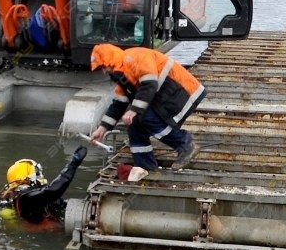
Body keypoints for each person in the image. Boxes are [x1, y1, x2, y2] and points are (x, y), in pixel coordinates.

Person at [88, 43, 205, 173]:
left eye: (103, 67)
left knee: (145, 117)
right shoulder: (122, 73)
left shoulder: (134, 58)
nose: (104, 71)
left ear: (111, 61)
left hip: (181, 91)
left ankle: (185, 144)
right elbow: (118, 104)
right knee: (135, 125)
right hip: (166, 94)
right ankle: (145, 167)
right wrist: (102, 128)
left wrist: (134, 110)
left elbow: (149, 84)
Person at [0, 145, 89, 224]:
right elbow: (52, 191)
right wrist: (72, 165)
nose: (41, 176)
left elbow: (60, 203)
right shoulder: (25, 199)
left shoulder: (34, 198)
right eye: (37, 173)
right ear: (29, 177)